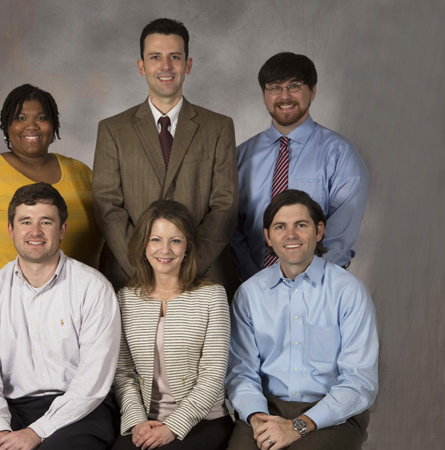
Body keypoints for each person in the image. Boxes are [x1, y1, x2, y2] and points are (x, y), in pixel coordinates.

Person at [0, 84, 102, 429]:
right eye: (20, 118)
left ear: (54, 124)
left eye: (41, 117)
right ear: (6, 126)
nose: (31, 126)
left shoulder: (82, 174)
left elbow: (101, 240)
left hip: (68, 310)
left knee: (69, 413)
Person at [0, 182, 120, 450]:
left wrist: (36, 432)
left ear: (62, 229)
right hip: (12, 410)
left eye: (46, 222)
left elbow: (92, 381)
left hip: (81, 411)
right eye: (25, 221)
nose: (35, 232)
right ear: (10, 229)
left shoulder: (94, 288)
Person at [93, 18, 238, 296]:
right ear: (142, 66)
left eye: (175, 57)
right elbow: (107, 208)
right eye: (155, 57)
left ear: (188, 64)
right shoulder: (112, 130)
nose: (166, 66)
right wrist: (144, 269)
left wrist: (187, 269)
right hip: (131, 278)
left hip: (202, 277)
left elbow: (225, 206)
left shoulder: (218, 127)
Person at [226, 190, 378, 450]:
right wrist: (258, 418)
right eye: (280, 227)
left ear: (319, 232)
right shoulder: (249, 294)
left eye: (301, 225)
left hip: (331, 414)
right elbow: (241, 372)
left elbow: (359, 382)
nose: (291, 235)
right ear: (268, 237)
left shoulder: (348, 291)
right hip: (266, 408)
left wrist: (299, 425)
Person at [230, 52, 369, 282]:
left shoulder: (340, 154)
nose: (284, 96)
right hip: (254, 286)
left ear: (312, 91)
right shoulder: (242, 155)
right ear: (264, 96)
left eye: (294, 86)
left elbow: (341, 232)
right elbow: (231, 224)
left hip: (320, 287)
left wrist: (304, 281)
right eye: (274, 87)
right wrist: (254, 279)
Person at [112, 200, 233, 450]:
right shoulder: (125, 298)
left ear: (187, 247)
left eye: (175, 240)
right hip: (146, 420)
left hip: (204, 419)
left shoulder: (212, 296)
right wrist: (137, 422)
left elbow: (214, 374)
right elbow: (124, 374)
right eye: (156, 239)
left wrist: (173, 427)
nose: (164, 250)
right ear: (143, 244)